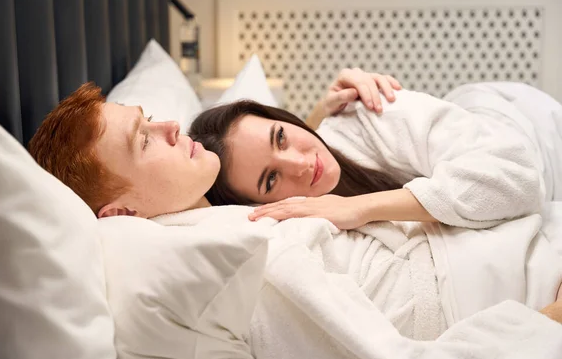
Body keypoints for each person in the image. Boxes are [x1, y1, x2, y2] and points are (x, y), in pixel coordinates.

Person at [27, 75, 562, 359]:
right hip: (531, 280)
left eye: (149, 117)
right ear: (120, 215)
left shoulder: (236, 219)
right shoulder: (240, 254)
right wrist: (548, 323)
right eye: (144, 140)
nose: (169, 126)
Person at [188, 77, 562, 230]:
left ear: (287, 119)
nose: (302, 165)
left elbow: (520, 178)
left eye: (281, 137)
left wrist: (361, 207)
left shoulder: (370, 114)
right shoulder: (293, 226)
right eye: (271, 179)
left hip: (526, 125)